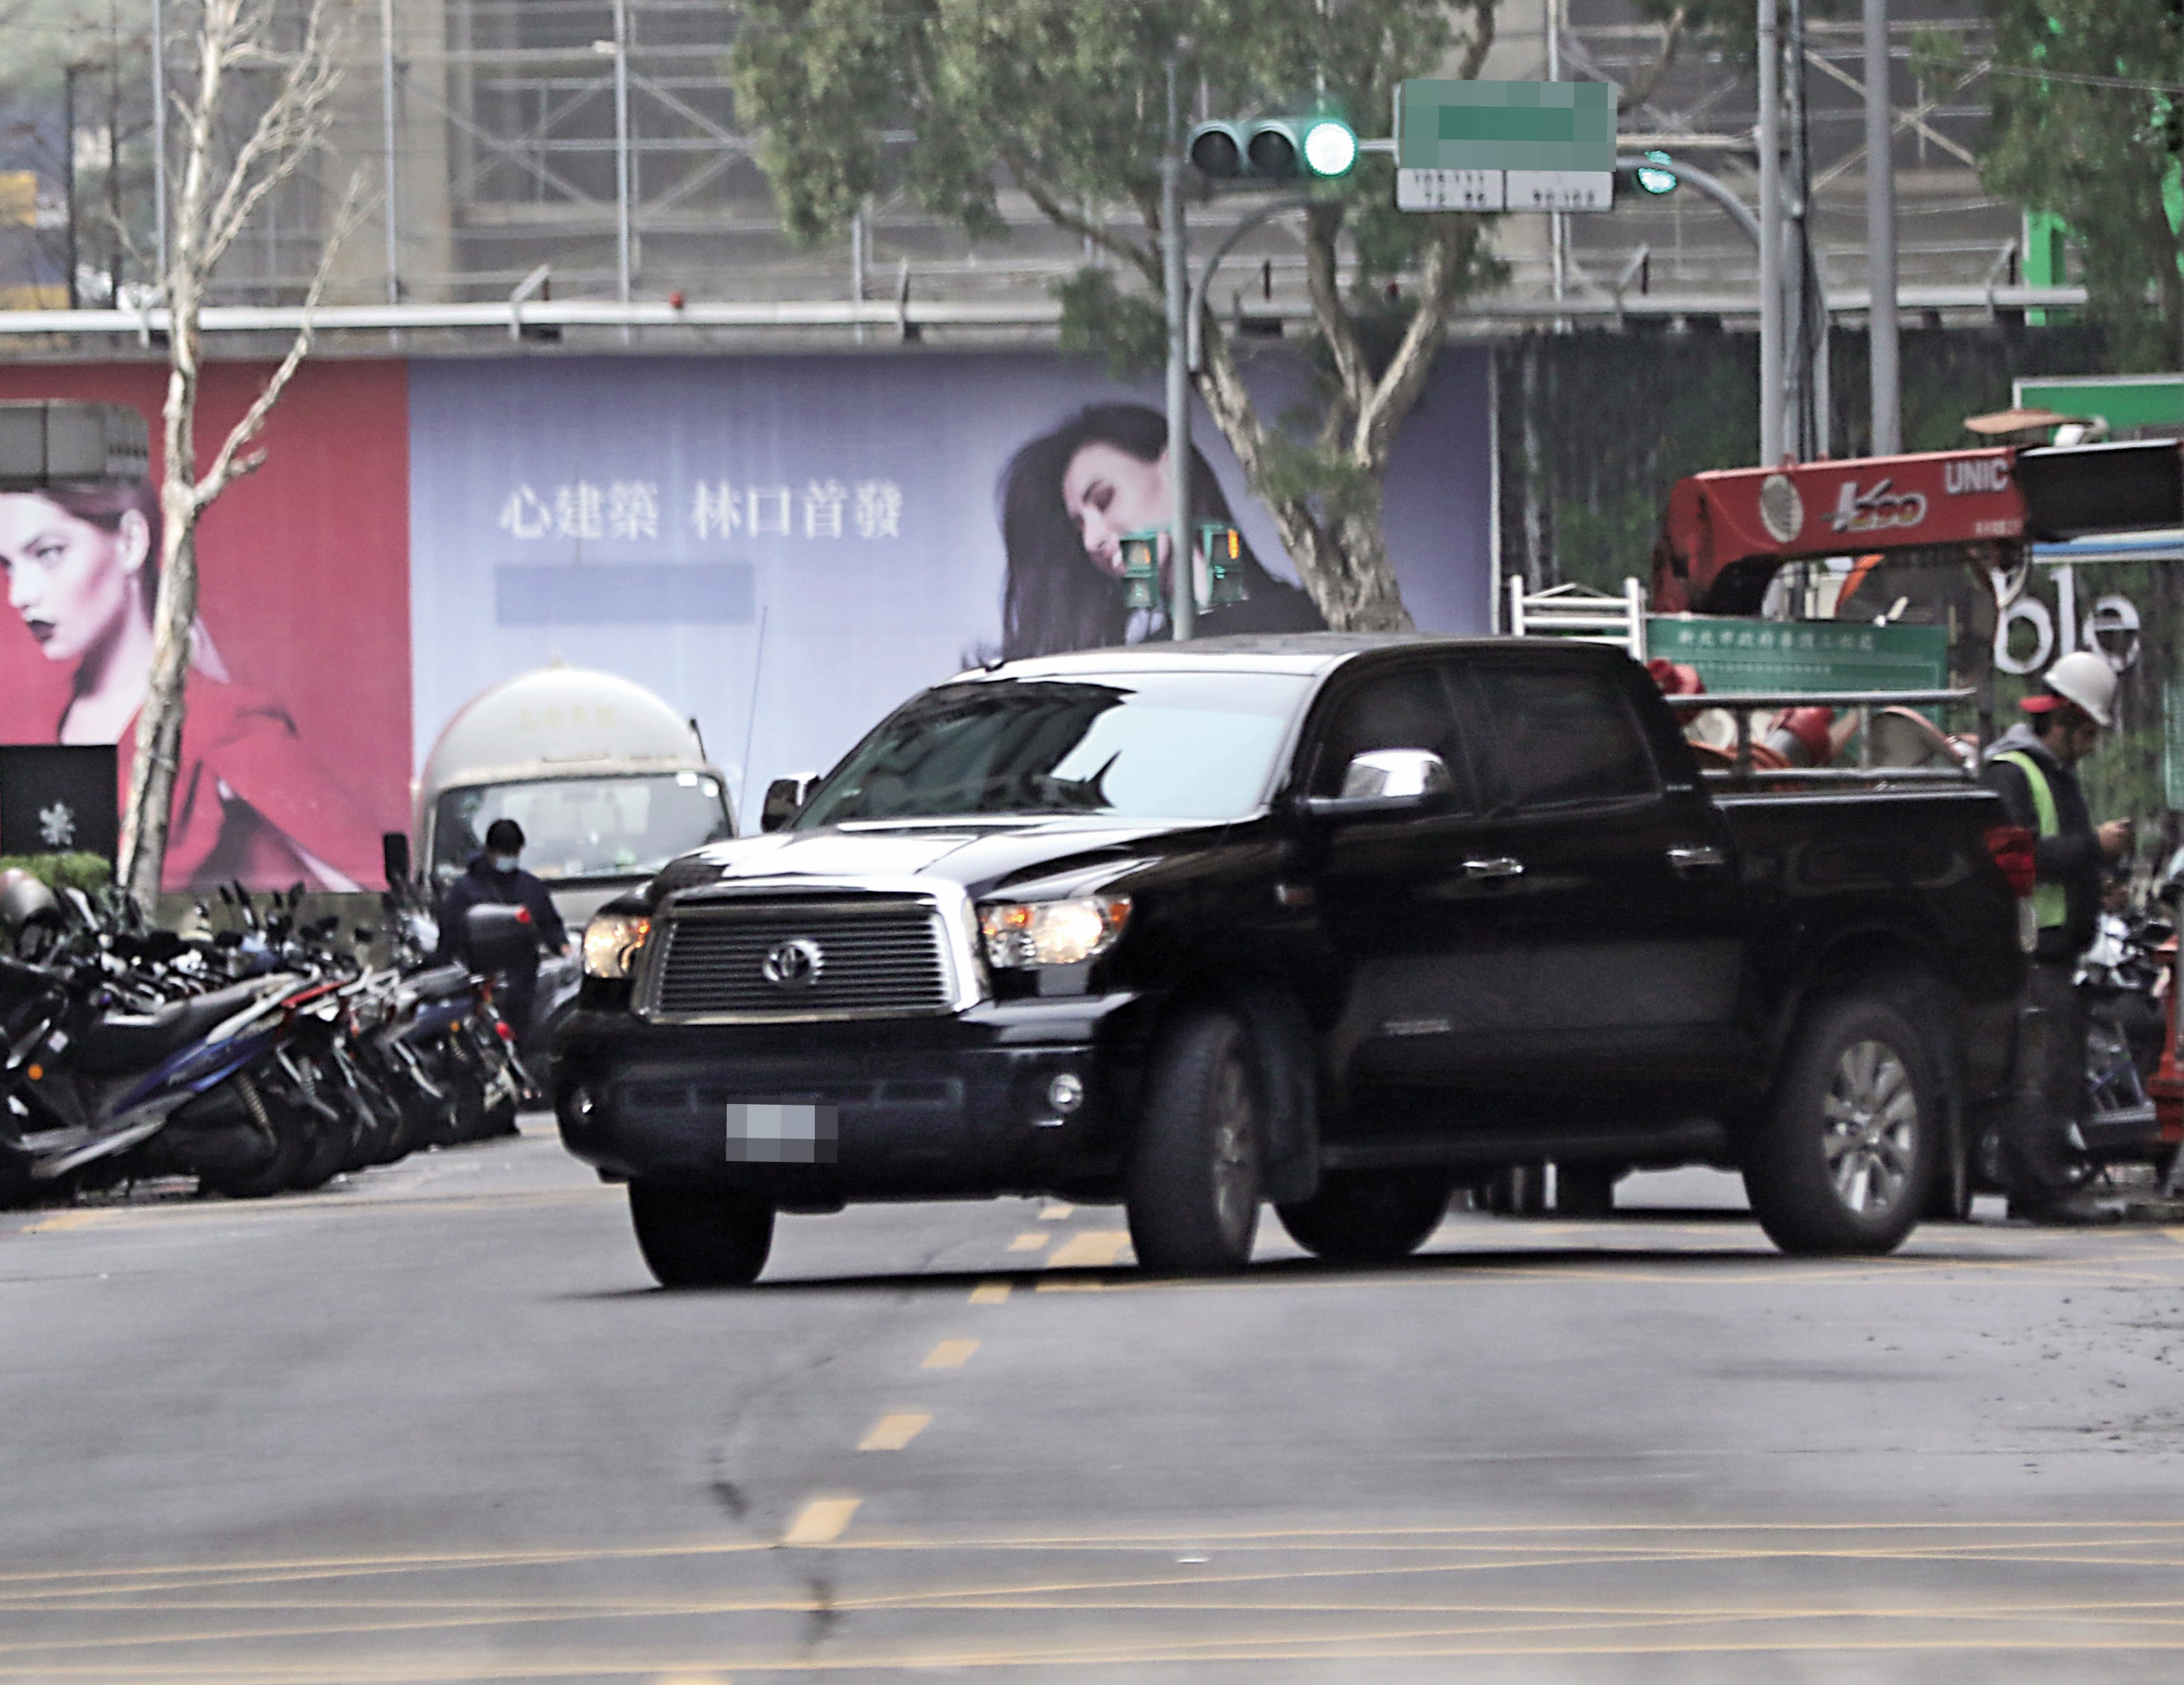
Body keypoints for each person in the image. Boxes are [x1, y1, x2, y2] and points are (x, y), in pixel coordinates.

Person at [0, 476, 379, 889]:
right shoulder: (37, 721)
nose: (19, 595)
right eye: (8, 566)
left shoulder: (220, 724)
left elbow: (380, 893)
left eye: (48, 554)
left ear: (130, 542)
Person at [1982, 650, 2132, 1222]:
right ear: (2065, 722)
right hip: (2029, 953)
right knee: (2037, 1078)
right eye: (2089, 732)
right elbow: (2016, 856)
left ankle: (2044, 1180)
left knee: (2055, 1073)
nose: (2093, 745)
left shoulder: (2052, 776)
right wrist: (2095, 848)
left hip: (2052, 954)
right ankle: (2041, 1191)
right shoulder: (2013, 773)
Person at [996, 402, 1324, 659]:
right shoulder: (1142, 662)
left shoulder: (1309, 622)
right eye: (1079, 524)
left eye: (1104, 499)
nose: (1091, 540)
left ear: (1174, 469)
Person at [435, 818, 569, 1058]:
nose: (509, 858)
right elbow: (450, 936)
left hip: (523, 987)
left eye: (513, 853)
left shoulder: (531, 888)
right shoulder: (466, 891)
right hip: (479, 989)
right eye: (504, 853)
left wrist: (562, 946)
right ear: (488, 851)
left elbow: (550, 924)